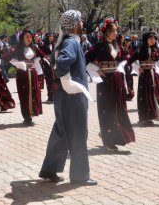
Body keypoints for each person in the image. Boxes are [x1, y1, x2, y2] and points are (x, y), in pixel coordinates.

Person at [40, 10, 97, 186]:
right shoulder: (72, 42)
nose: (82, 23)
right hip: (72, 96)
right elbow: (62, 64)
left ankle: (49, 169)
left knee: (61, 132)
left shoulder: (65, 41)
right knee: (79, 134)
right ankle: (80, 176)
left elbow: (54, 62)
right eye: (79, 21)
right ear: (73, 25)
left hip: (63, 97)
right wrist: (68, 82)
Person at [86, 18, 135, 151]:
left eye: (116, 31)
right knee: (107, 109)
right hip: (104, 82)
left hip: (116, 79)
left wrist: (120, 66)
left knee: (118, 108)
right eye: (112, 31)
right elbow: (85, 59)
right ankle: (108, 140)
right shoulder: (98, 47)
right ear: (106, 32)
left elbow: (125, 58)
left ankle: (118, 136)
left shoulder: (117, 45)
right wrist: (97, 70)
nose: (115, 33)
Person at [128, 32, 159, 125]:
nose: (152, 41)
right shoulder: (140, 50)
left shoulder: (155, 50)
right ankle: (145, 117)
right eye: (150, 39)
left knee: (154, 93)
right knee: (145, 94)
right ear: (146, 40)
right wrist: (138, 68)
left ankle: (155, 115)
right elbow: (130, 61)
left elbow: (157, 62)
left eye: (154, 39)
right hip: (144, 75)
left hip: (153, 74)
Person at [8, 28, 43, 126]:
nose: (29, 39)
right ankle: (26, 117)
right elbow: (6, 57)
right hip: (22, 74)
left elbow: (43, 56)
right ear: (22, 38)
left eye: (30, 37)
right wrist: (19, 64)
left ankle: (32, 113)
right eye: (27, 37)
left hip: (33, 73)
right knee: (24, 94)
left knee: (34, 93)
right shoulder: (17, 48)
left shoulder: (34, 47)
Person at [40, 32, 57, 102]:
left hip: (55, 65)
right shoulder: (44, 45)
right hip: (47, 65)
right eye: (50, 36)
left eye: (52, 36)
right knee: (48, 81)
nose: (51, 37)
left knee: (55, 81)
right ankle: (50, 97)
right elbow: (41, 53)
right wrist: (45, 57)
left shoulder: (55, 45)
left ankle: (56, 96)